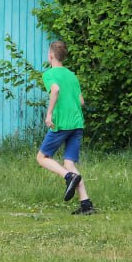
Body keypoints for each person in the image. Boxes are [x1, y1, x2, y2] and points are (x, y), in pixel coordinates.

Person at [37, 40, 95, 215]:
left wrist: (49, 114)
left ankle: (68, 177)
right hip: (77, 123)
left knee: (42, 157)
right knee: (69, 162)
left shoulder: (49, 74)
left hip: (62, 123)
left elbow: (54, 90)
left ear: (50, 55)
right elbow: (81, 101)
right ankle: (86, 204)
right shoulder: (72, 75)